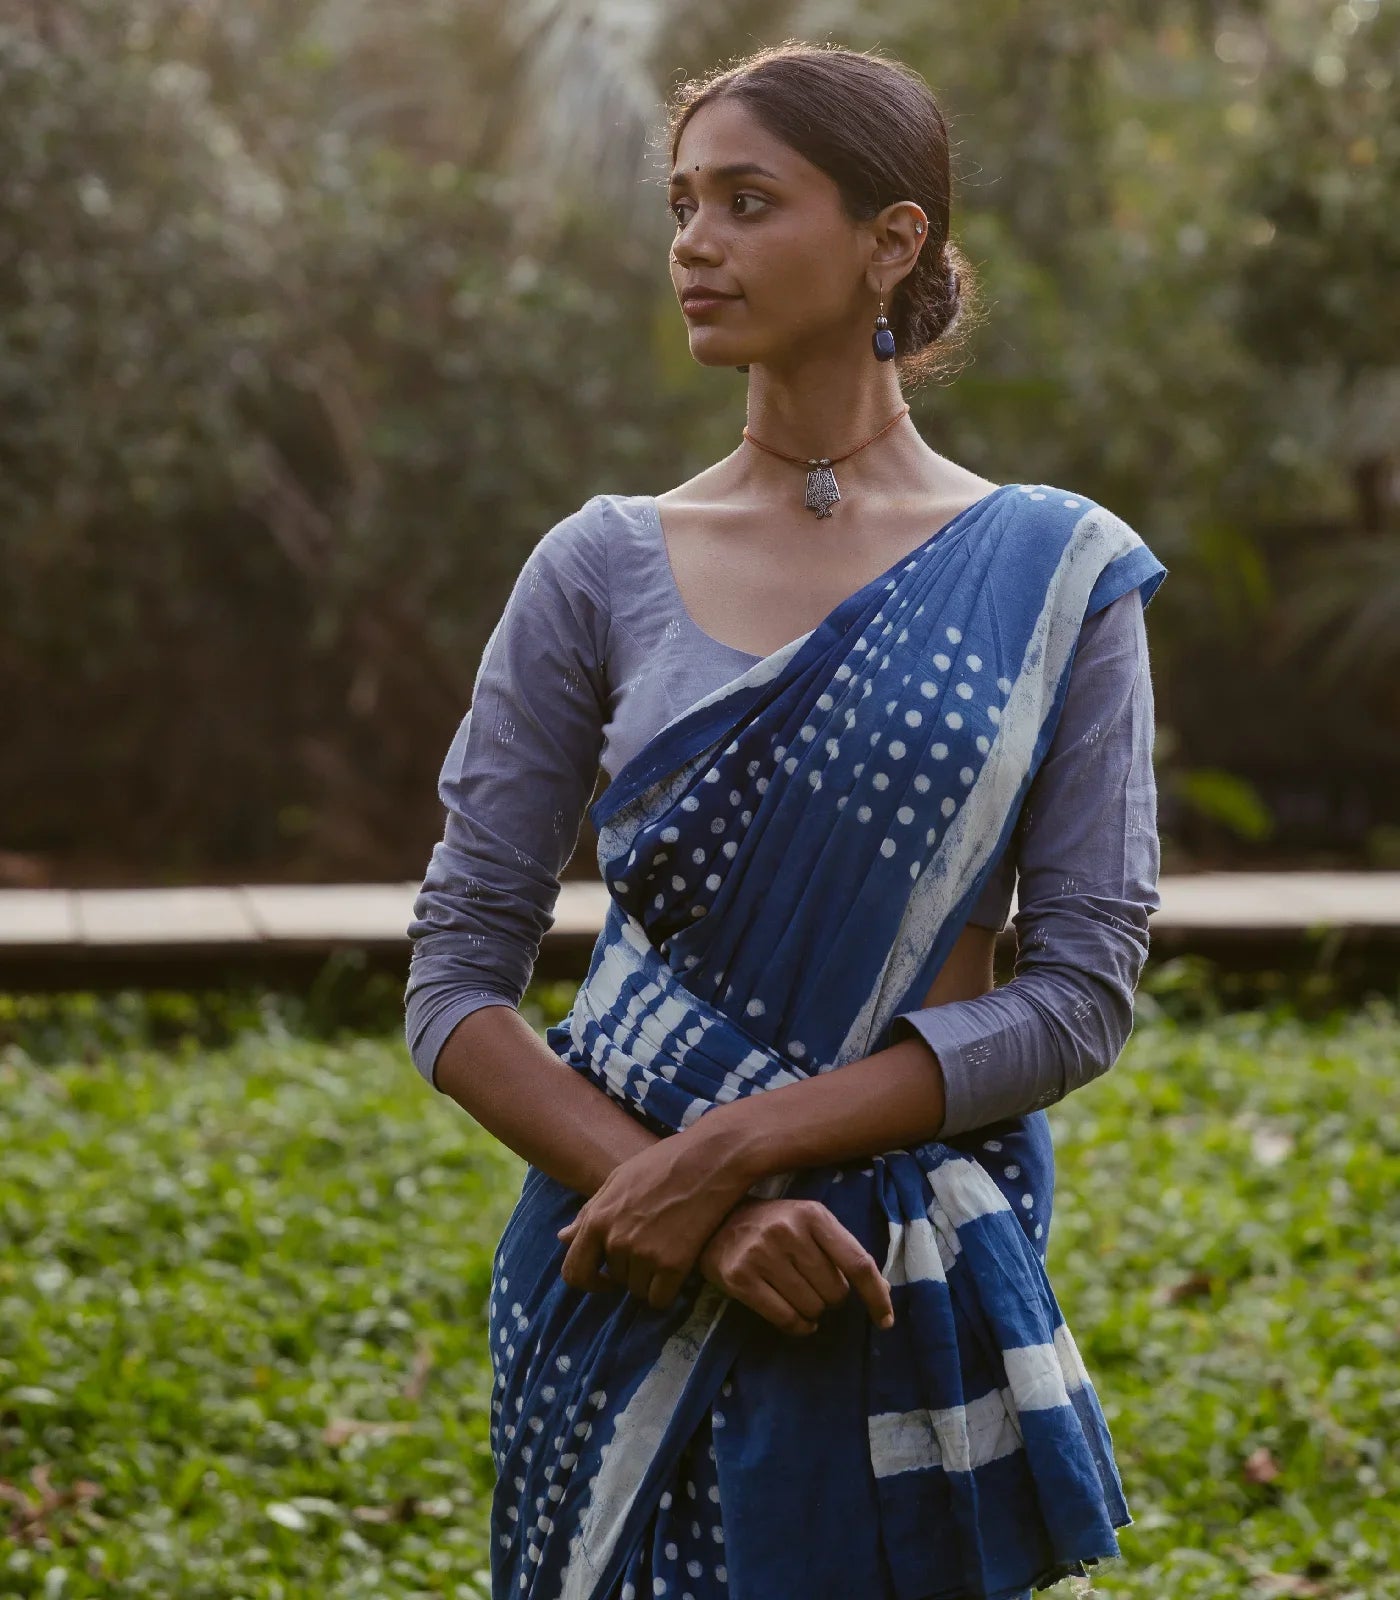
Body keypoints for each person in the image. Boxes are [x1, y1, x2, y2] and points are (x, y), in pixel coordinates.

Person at [405, 41, 1166, 1600]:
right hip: (621, 1266)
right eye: (684, 204)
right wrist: (680, 1199)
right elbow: (453, 985)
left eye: (749, 202)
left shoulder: (1057, 576)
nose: (695, 242)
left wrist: (735, 1154)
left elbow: (1082, 988)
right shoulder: (597, 566)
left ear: (894, 239)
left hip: (899, 1272)